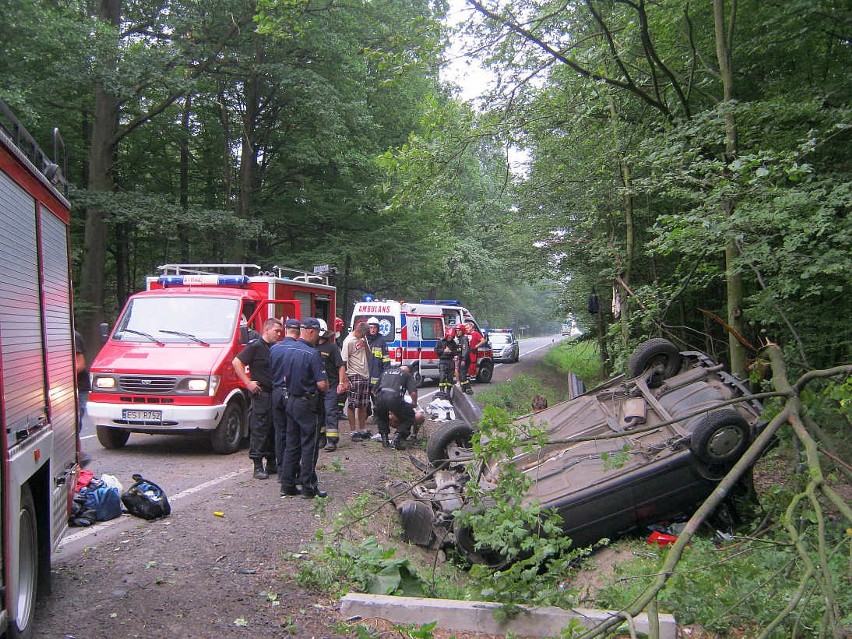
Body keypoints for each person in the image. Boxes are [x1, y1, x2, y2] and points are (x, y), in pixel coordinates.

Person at [278, 318, 329, 499]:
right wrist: (326, 386)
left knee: (291, 444)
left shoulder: (288, 350)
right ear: (310, 331)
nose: (317, 338)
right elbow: (322, 384)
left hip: (290, 400)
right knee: (309, 445)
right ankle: (308, 486)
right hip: (307, 404)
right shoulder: (312, 354)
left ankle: (287, 484)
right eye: (316, 334)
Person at [233, 318, 283, 479]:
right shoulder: (255, 346)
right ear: (266, 330)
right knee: (259, 429)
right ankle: (257, 465)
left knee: (274, 428)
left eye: (280, 331)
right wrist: (247, 383)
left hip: (275, 393)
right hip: (261, 394)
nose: (279, 334)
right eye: (276, 331)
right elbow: (237, 362)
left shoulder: (276, 348)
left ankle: (271, 462)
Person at [270, 318, 302, 479]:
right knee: (293, 432)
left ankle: (281, 468)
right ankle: (292, 470)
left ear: (286, 330)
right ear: (299, 332)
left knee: (279, 431)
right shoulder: (300, 349)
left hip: (276, 393)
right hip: (292, 394)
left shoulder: (274, 348)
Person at [315, 318, 348, 452]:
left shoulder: (332, 347)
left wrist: (341, 383)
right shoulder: (311, 346)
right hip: (316, 387)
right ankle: (321, 437)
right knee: (319, 413)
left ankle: (332, 440)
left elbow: (341, 366)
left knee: (330, 412)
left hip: (331, 386)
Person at [374, 365, 418, 449]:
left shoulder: (385, 372)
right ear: (408, 371)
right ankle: (397, 438)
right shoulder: (406, 375)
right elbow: (413, 392)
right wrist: (414, 403)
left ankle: (384, 439)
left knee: (382, 417)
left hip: (380, 397)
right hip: (394, 398)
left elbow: (374, 391)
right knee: (409, 416)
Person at [341, 321, 372, 441]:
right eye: (365, 333)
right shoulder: (349, 341)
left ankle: (362, 429)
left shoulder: (363, 340)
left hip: (365, 375)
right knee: (353, 404)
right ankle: (353, 431)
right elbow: (343, 361)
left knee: (363, 404)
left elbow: (368, 355)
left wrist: (365, 345)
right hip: (354, 374)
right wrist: (343, 380)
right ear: (360, 331)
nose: (366, 336)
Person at [365, 316, 391, 391]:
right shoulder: (364, 340)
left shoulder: (381, 341)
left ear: (378, 328)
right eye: (370, 327)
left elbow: (386, 361)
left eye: (375, 328)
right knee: (364, 402)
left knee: (378, 401)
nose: (372, 330)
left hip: (377, 378)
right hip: (364, 378)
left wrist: (385, 376)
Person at [434, 326, 459, 399]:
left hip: (450, 362)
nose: (450, 338)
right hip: (442, 361)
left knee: (450, 378)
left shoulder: (453, 343)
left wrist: (451, 352)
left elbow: (456, 352)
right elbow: (436, 350)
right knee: (442, 377)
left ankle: (448, 393)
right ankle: (442, 392)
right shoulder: (440, 342)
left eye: (451, 337)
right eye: (449, 336)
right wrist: (443, 350)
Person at [453, 323, 474, 395]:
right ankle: (465, 389)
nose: (458, 332)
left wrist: (463, 360)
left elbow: (465, 350)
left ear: (462, 331)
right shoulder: (460, 339)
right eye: (456, 331)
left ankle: (467, 389)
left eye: (459, 331)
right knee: (461, 374)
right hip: (461, 359)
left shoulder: (464, 338)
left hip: (464, 360)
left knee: (462, 375)